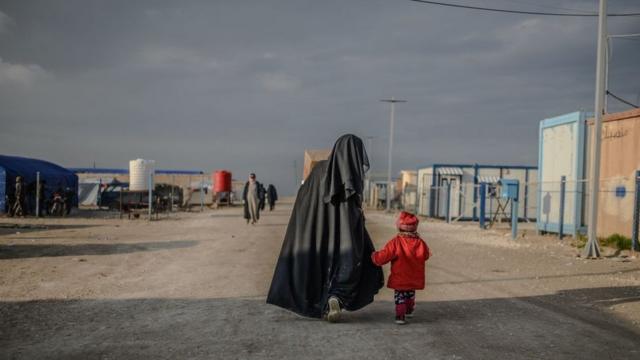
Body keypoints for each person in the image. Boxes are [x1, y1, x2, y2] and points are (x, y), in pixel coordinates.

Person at [267, 134, 383, 322]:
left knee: (319, 262)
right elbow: (353, 209)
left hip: (318, 229)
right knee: (351, 259)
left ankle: (323, 300)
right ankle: (336, 295)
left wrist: (308, 224)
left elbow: (304, 198)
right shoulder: (351, 175)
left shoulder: (320, 169)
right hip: (345, 232)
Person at [371, 211, 431, 325]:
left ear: (399, 227)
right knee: (410, 295)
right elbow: (426, 255)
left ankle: (400, 316)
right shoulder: (420, 243)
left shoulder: (395, 242)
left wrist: (375, 257)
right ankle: (409, 310)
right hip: (413, 278)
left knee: (400, 297)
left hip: (400, 278)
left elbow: (384, 255)